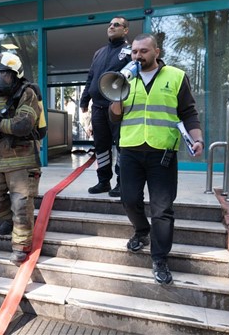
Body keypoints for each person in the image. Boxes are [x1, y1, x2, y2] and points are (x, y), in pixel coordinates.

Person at [109, 33, 204, 285]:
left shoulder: (176, 76)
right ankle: (142, 231)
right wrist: (117, 95)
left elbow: (188, 112)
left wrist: (197, 139)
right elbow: (114, 117)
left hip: (163, 151)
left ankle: (160, 257)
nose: (138, 56)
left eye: (144, 51)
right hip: (130, 149)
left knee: (162, 208)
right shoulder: (124, 77)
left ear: (156, 52)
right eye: (134, 52)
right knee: (129, 200)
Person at [0, 52, 42, 265]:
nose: (0, 80)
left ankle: (20, 246)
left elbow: (22, 125)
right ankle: (11, 220)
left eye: (5, 75)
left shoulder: (28, 93)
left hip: (23, 159)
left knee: (21, 205)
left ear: (16, 75)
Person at [80, 17, 132, 196]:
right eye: (109, 24)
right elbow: (91, 77)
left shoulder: (130, 52)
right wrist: (84, 100)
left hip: (117, 107)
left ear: (125, 30)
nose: (111, 27)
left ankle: (122, 183)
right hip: (97, 108)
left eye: (116, 24)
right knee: (101, 146)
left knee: (121, 145)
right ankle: (103, 182)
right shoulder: (99, 53)